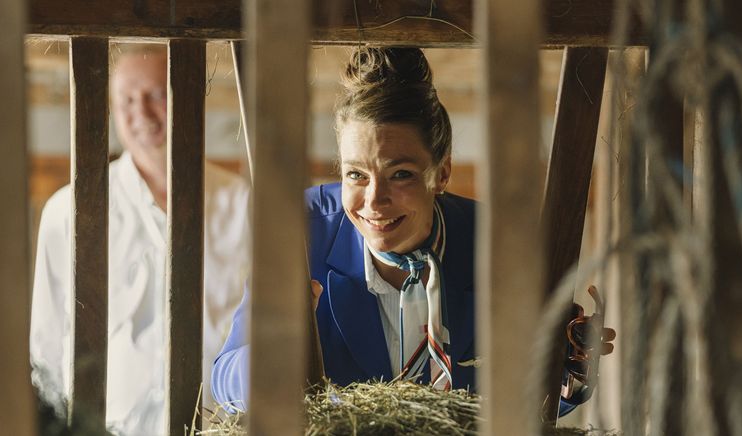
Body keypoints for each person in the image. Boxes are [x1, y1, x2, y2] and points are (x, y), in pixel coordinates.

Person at [211, 47, 613, 418]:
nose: (374, 200)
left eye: (400, 174)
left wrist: (572, 370)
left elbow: (533, 399)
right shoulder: (301, 230)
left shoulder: (499, 244)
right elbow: (223, 382)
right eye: (356, 174)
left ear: (442, 173)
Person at [30, 44, 251, 435]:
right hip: (105, 428)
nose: (142, 113)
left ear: (187, 96)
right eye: (127, 99)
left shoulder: (245, 204)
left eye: (157, 95)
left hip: (224, 427)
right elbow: (46, 343)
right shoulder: (67, 210)